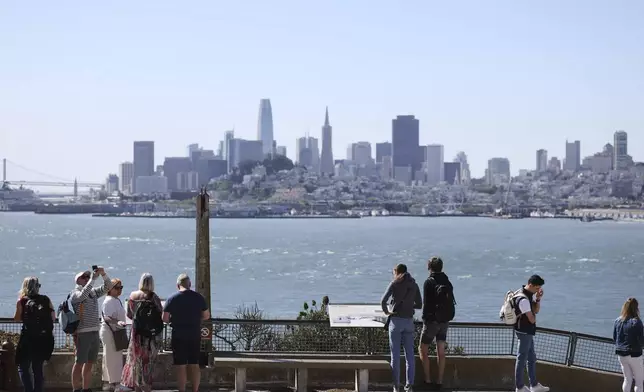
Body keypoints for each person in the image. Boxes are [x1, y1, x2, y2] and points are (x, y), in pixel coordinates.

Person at [162, 274, 210, 392]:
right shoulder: (199, 298)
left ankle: (182, 390)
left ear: (178, 285)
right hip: (194, 334)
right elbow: (206, 316)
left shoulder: (172, 299)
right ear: (190, 284)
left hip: (178, 335)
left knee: (181, 365)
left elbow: (165, 318)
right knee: (194, 364)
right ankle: (195, 389)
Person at [71, 267, 114, 392]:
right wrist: (93, 279)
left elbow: (109, 286)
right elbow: (83, 295)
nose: (87, 278)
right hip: (83, 332)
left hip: (95, 331)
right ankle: (76, 388)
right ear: (78, 280)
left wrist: (103, 274)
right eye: (84, 277)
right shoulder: (75, 294)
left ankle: (86, 388)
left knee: (89, 362)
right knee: (79, 362)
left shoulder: (93, 292)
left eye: (87, 276)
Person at [381, 264, 422, 392]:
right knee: (410, 355)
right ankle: (409, 386)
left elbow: (383, 301)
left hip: (396, 322)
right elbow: (420, 304)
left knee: (395, 356)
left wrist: (388, 312)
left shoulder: (394, 284)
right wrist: (409, 306)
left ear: (396, 272)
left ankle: (396, 386)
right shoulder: (414, 284)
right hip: (409, 321)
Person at [122, 273, 164, 392]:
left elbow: (129, 315)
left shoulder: (132, 296)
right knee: (148, 360)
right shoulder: (153, 296)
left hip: (136, 333)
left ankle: (136, 385)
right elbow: (160, 313)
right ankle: (147, 386)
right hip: (150, 335)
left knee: (135, 360)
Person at [419, 257, 455, 391]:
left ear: (430, 267)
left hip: (431, 321)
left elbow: (426, 304)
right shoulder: (447, 281)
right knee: (441, 351)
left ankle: (427, 380)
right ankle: (439, 381)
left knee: (423, 349)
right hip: (444, 320)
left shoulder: (428, 282)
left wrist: (426, 319)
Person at [14, 277, 55, 392]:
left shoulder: (22, 301)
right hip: (43, 339)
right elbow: (53, 318)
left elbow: (17, 319)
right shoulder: (46, 299)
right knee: (38, 369)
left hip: (27, 339)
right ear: (38, 287)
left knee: (23, 366)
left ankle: (28, 390)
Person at [513, 275, 549, 392]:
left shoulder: (528, 295)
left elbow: (536, 311)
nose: (538, 290)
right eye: (537, 288)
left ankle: (534, 385)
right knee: (521, 358)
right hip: (524, 331)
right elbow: (531, 318)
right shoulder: (523, 299)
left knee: (531, 358)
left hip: (527, 331)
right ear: (531, 285)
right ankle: (519, 387)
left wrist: (538, 298)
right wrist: (533, 317)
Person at [99, 279, 127, 391]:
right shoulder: (109, 301)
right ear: (110, 289)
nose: (119, 290)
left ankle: (109, 383)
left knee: (110, 357)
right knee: (113, 357)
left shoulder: (115, 300)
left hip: (114, 331)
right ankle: (116, 384)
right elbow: (106, 317)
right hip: (111, 331)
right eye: (116, 288)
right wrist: (117, 322)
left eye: (121, 287)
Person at [613, 297, 644, 392]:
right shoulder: (637, 322)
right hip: (634, 355)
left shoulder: (618, 320)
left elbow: (615, 337)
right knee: (639, 381)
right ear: (636, 308)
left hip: (621, 354)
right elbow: (641, 341)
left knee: (627, 379)